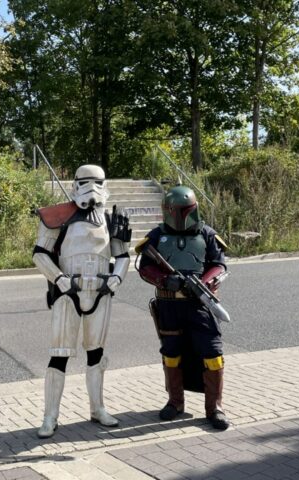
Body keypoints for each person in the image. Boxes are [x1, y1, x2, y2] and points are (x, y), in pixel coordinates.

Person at [32, 164, 132, 438]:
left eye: (97, 182)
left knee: (96, 353)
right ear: (75, 184)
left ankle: (98, 408)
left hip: (100, 292)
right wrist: (59, 279)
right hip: (68, 293)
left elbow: (122, 256)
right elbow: (40, 253)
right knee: (60, 354)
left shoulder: (110, 219)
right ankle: (50, 416)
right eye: (85, 181)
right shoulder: (59, 216)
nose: (92, 188)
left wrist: (116, 278)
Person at [135, 185, 230, 430]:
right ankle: (175, 402)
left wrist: (203, 283)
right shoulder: (157, 236)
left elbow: (219, 265)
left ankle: (215, 407)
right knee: (171, 353)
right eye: (172, 210)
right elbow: (144, 267)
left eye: (180, 210)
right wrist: (165, 279)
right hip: (169, 304)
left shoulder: (207, 234)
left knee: (213, 354)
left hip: (200, 303)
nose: (176, 215)